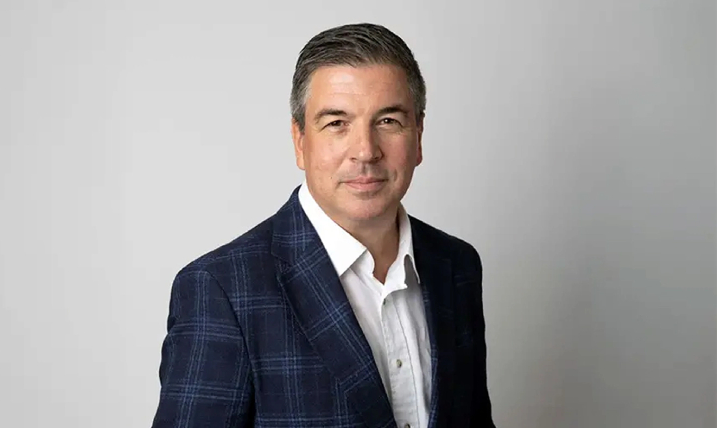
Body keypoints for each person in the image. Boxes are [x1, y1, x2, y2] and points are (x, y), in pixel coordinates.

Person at [152, 23, 495, 428]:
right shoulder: (221, 289)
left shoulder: (455, 266)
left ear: (418, 136)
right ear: (300, 140)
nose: (365, 151)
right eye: (337, 123)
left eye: (388, 121)